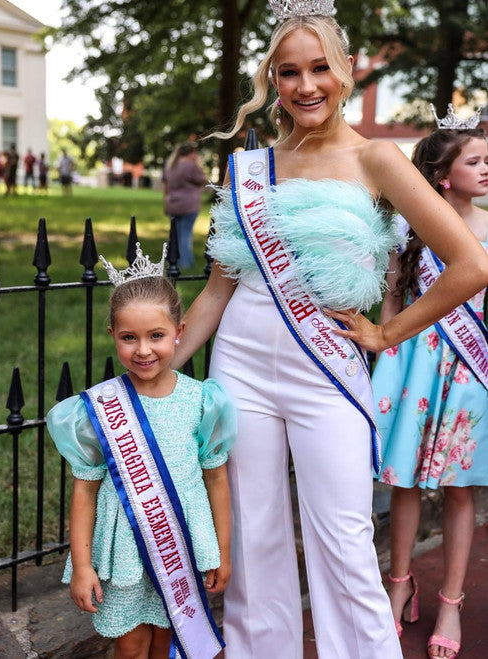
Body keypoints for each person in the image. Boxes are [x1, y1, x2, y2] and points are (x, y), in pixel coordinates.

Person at [171, 2, 488, 657]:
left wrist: (384, 333)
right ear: (273, 81)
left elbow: (470, 265)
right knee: (252, 535)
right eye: (289, 73)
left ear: (344, 72)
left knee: (343, 535)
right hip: (242, 360)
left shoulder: (377, 158)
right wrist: (161, 361)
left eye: (320, 68)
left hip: (328, 366)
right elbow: (215, 290)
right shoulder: (251, 167)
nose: (306, 85)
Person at [47, 245, 235, 659]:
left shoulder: (201, 401)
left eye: (156, 336)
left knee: (167, 640)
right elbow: (85, 491)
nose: (143, 350)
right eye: (129, 338)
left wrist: (222, 549)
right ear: (113, 335)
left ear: (179, 331)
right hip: (125, 546)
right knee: (130, 647)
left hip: (181, 541)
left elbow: (216, 477)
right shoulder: (99, 409)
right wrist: (81, 565)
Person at [372, 112, 488, 659]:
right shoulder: (408, 230)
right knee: (405, 482)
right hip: (416, 368)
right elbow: (392, 304)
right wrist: (382, 362)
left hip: (472, 374)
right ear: (443, 175)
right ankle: (398, 587)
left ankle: (451, 602)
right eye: (475, 160)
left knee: (461, 489)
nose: (487, 168)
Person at [162, 143, 208, 269]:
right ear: (191, 153)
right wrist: (198, 164)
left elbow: (165, 186)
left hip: (173, 203)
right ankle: (185, 263)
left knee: (174, 234)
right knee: (185, 235)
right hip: (189, 204)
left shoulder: (170, 165)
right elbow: (204, 180)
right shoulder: (191, 166)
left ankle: (172, 261)